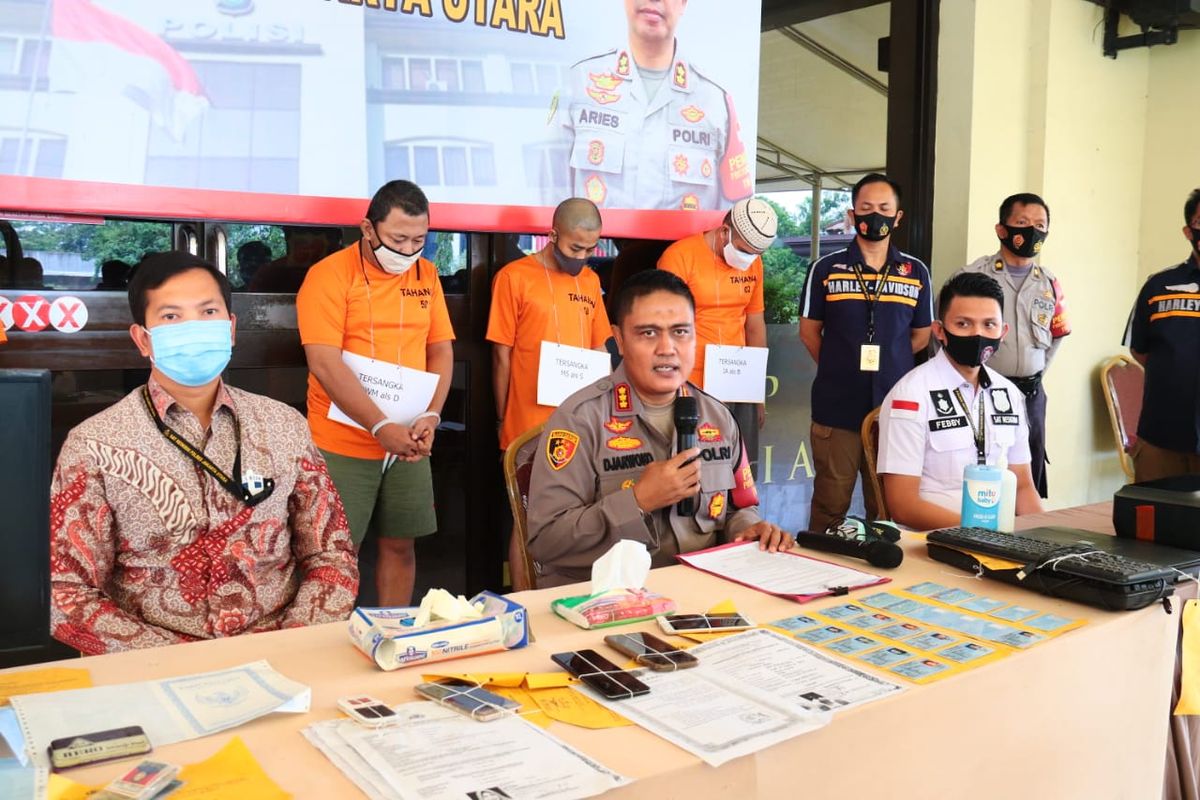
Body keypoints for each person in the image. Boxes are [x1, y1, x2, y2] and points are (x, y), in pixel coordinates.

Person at [48, 252, 358, 655]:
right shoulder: (94, 444)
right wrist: (177, 661)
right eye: (172, 317)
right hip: (153, 667)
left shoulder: (284, 426)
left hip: (279, 654)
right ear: (143, 339)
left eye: (208, 311)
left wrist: (293, 643)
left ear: (230, 328)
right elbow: (65, 592)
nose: (193, 328)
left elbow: (331, 554)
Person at [525, 270, 790, 587]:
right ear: (619, 339)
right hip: (606, 601)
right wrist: (637, 501)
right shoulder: (579, 420)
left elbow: (738, 509)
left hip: (703, 594)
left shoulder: (718, 417)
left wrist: (748, 528)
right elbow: (546, 541)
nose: (667, 348)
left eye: (681, 332)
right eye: (648, 333)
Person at [297, 181, 454, 606]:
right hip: (342, 442)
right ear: (368, 229)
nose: (407, 251)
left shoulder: (428, 274)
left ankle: (395, 632)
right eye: (397, 239)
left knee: (401, 545)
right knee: (334, 555)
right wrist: (379, 424)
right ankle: (324, 641)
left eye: (418, 240)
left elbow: (440, 349)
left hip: (408, 440)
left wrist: (432, 416)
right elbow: (325, 363)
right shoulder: (329, 275)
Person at [487, 198, 612, 587]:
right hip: (528, 421)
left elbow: (598, 349)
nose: (584, 256)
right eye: (576, 248)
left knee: (585, 515)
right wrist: (502, 417)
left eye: (591, 249)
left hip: (584, 422)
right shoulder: (514, 277)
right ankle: (526, 601)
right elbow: (501, 355)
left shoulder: (590, 281)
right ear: (553, 234)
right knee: (526, 521)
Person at [799, 173, 934, 532]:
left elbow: (921, 335)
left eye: (884, 209)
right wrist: (837, 366)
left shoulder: (915, 272)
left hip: (893, 409)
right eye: (866, 208)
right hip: (837, 405)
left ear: (898, 217)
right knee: (831, 503)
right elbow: (809, 332)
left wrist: (891, 364)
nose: (875, 216)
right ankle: (822, 573)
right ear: (852, 214)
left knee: (889, 508)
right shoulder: (825, 269)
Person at [876, 272, 1043, 530]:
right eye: (963, 324)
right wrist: (980, 534)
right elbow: (903, 506)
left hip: (1002, 541)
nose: (978, 334)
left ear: (1003, 332)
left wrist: (1042, 536)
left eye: (989, 325)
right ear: (940, 331)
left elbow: (1022, 485)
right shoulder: (911, 395)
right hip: (931, 543)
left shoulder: (1008, 393)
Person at [551, 0, 752, 211]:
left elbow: (734, 214)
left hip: (682, 245)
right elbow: (549, 195)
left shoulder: (716, 102)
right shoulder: (578, 83)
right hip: (596, 244)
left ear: (683, 3)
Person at [954, 193, 1069, 498]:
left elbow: (1057, 335)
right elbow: (950, 338)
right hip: (982, 395)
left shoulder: (1049, 282)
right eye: (1022, 223)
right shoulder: (971, 277)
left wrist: (1035, 375)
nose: (1032, 230)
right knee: (982, 475)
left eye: (1040, 225)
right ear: (1002, 230)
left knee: (1027, 478)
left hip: (1030, 395)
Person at [658, 196, 775, 472]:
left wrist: (757, 392)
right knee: (695, 470)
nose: (748, 260)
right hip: (692, 383)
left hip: (739, 382)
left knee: (740, 473)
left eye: (755, 255)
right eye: (744, 250)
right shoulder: (679, 257)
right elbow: (665, 327)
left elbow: (755, 324)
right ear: (725, 231)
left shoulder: (752, 264)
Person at [1123, 188, 1200, 481]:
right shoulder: (1159, 286)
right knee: (1151, 523)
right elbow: (1139, 350)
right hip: (1160, 439)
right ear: (1188, 231)